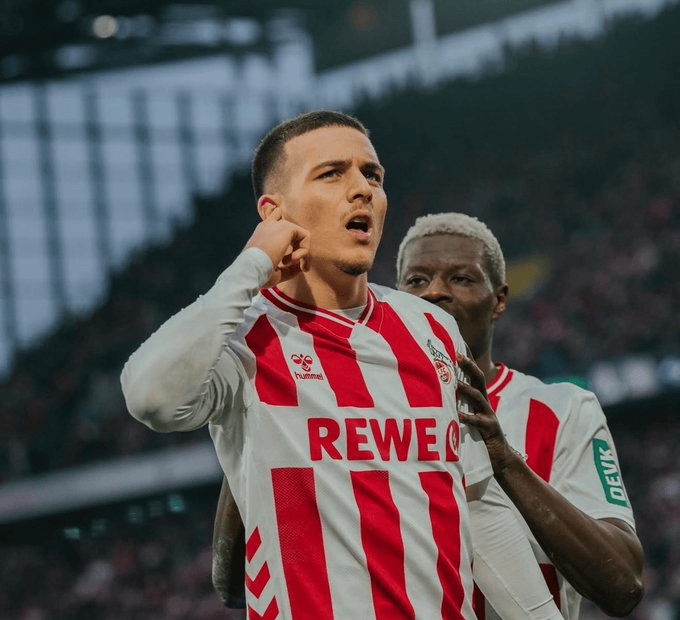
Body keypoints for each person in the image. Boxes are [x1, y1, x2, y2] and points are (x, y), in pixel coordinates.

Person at [122, 111, 561, 620]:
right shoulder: (243, 338)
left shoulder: (432, 328)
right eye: (332, 173)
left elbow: (477, 500)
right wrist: (252, 265)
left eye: (372, 175)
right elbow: (151, 397)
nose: (362, 190)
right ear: (274, 214)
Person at [395, 212, 644, 619]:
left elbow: (623, 585)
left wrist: (505, 462)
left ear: (499, 300)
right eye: (416, 280)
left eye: (461, 278)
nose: (434, 292)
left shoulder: (563, 409)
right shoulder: (358, 409)